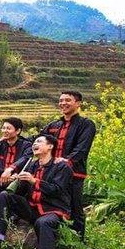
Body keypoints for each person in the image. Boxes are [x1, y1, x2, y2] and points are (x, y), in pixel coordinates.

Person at [39, 91, 95, 239]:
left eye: (67, 100)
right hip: (52, 172)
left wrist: (67, 160)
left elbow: (82, 148)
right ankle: (57, 237)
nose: (63, 103)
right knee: (51, 203)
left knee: (75, 207)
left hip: (74, 173)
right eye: (61, 100)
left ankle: (78, 243)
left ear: (78, 103)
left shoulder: (86, 124)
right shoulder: (54, 125)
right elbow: (38, 139)